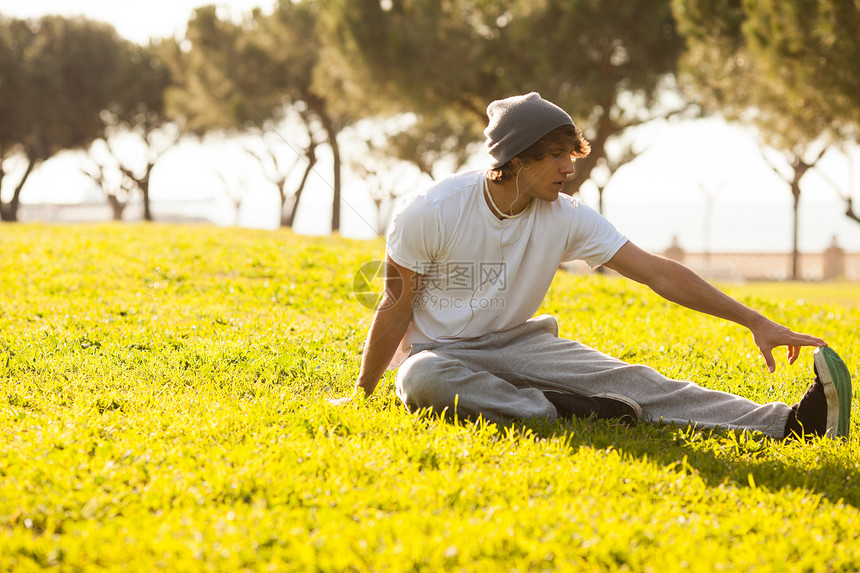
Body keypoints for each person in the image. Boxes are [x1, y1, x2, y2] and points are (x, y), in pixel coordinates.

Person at [338, 92, 852, 440]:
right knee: (421, 381)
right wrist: (363, 395)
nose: (570, 166)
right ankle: (554, 408)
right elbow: (395, 304)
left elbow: (658, 272)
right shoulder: (431, 210)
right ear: (514, 158)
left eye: (572, 153)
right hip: (443, 353)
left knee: (640, 383)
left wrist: (755, 321)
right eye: (557, 155)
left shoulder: (566, 216)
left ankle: (791, 424)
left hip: (523, 344)